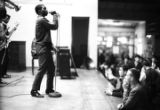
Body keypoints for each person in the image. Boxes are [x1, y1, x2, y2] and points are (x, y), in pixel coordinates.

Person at [30, 4, 61, 98]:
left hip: (46, 47)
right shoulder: (41, 20)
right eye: (44, 8)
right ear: (39, 11)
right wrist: (55, 15)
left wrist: (52, 47)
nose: (46, 9)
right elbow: (54, 26)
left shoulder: (43, 20)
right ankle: (34, 90)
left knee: (51, 69)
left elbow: (45, 36)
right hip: (43, 48)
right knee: (42, 69)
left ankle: (49, 89)